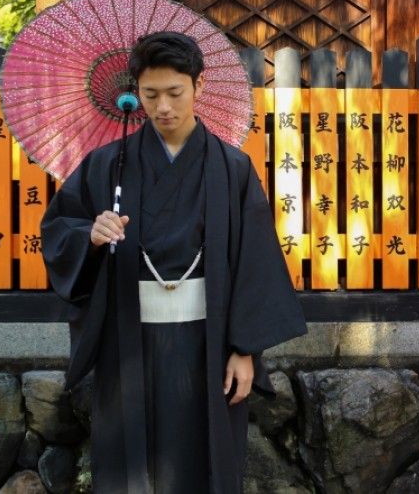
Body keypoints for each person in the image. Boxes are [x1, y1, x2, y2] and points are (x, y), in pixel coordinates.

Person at [41, 31, 307, 493]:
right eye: (150, 95)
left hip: (209, 340)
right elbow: (59, 230)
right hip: (128, 338)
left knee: (207, 463)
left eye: (174, 93)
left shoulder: (232, 167)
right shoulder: (106, 166)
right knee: (130, 467)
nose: (163, 107)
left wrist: (245, 350)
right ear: (135, 93)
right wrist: (91, 235)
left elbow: (254, 260)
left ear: (199, 87)